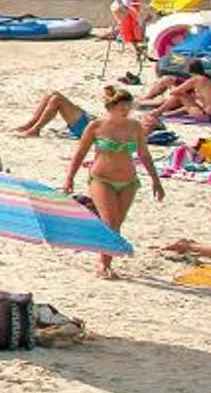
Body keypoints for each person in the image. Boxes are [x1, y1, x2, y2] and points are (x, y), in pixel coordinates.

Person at [64, 84, 164, 277]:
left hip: (129, 181)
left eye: (128, 107)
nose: (126, 111)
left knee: (117, 223)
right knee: (110, 222)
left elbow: (144, 155)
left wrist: (156, 180)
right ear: (110, 108)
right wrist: (69, 178)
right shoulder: (96, 126)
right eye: (122, 108)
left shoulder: (134, 126)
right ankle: (103, 264)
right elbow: (80, 153)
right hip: (101, 179)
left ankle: (106, 259)